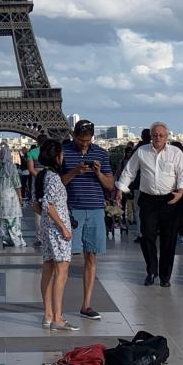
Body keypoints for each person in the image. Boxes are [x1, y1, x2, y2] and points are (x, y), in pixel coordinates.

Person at [114, 122, 183, 288]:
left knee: (169, 240)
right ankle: (151, 270)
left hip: (170, 199)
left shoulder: (176, 153)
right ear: (150, 136)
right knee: (146, 236)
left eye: (161, 135)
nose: (158, 138)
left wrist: (181, 192)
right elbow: (129, 172)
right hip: (148, 199)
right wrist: (120, 189)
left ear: (167, 136)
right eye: (155, 135)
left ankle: (165, 275)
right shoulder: (142, 152)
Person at [60, 119, 114, 321]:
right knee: (65, 258)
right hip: (72, 209)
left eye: (88, 139)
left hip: (95, 209)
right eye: (81, 139)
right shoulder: (64, 152)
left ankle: (87, 304)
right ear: (73, 135)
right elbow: (56, 183)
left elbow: (110, 185)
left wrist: (98, 173)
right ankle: (58, 305)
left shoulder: (101, 153)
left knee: (91, 257)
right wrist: (75, 172)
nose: (85, 143)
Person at [35, 139, 78, 331]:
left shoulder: (42, 176)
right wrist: (63, 227)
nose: (64, 156)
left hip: (46, 228)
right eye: (61, 153)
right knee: (62, 271)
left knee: (48, 268)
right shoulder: (53, 178)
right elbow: (49, 205)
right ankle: (58, 318)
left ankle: (48, 315)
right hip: (57, 230)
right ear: (57, 156)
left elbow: (37, 205)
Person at [0, 142, 27, 248]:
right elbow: (17, 184)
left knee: (2, 220)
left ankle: (6, 240)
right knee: (13, 219)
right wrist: (20, 197)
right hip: (10, 196)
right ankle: (17, 241)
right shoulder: (11, 166)